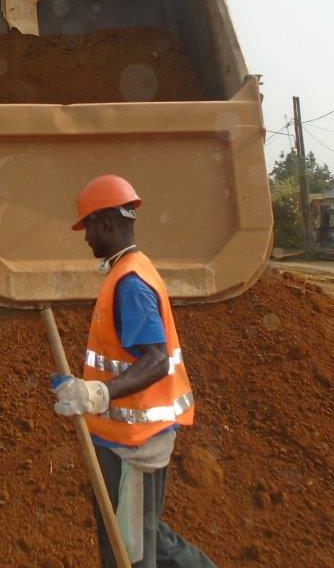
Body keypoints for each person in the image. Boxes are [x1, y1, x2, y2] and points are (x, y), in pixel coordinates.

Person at [50, 174, 217, 568]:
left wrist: (98, 394)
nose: (85, 237)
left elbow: (156, 359)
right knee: (138, 536)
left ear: (106, 223)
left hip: (136, 442)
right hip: (121, 437)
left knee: (132, 551)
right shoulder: (128, 271)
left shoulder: (131, 284)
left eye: (87, 226)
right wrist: (84, 388)